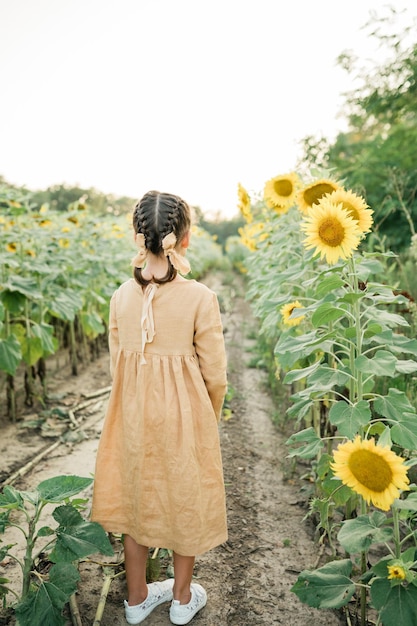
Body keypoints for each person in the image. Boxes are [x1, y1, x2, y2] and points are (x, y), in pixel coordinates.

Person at [91, 190, 228, 625]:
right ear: (184, 239)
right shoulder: (200, 297)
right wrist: (210, 414)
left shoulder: (119, 297)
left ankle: (135, 601)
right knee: (183, 496)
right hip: (185, 414)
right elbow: (216, 374)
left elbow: (119, 364)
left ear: (137, 237)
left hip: (132, 413)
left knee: (136, 500)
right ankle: (182, 599)